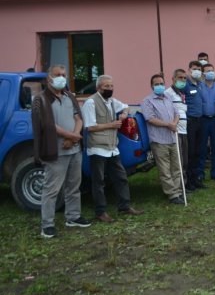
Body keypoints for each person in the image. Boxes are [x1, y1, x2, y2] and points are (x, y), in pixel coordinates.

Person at [32, 64, 92, 238]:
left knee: (74, 186)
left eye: (64, 75)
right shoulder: (41, 99)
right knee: (52, 189)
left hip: (73, 149)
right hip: (55, 151)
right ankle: (47, 225)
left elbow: (78, 118)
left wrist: (73, 136)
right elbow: (47, 124)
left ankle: (73, 217)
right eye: (58, 74)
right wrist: (71, 136)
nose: (61, 77)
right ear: (49, 78)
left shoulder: (69, 96)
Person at [82, 75, 142, 223]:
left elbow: (126, 106)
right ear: (98, 88)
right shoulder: (90, 103)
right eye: (106, 87)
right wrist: (112, 125)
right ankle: (100, 212)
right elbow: (89, 127)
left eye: (111, 86)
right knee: (99, 182)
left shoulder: (112, 101)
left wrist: (124, 114)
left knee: (121, 178)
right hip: (97, 148)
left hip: (112, 148)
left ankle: (124, 207)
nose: (110, 89)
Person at [141, 74, 186, 205]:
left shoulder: (168, 98)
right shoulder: (147, 101)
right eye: (156, 84)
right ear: (152, 86)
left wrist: (174, 122)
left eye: (161, 83)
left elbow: (177, 113)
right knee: (165, 169)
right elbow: (150, 118)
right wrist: (168, 125)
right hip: (159, 140)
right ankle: (172, 195)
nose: (159, 86)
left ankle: (178, 191)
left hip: (172, 138)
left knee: (177, 167)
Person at [184, 61, 206, 191]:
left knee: (198, 151)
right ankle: (189, 181)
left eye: (199, 69)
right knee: (190, 152)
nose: (197, 71)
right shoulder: (185, 85)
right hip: (190, 121)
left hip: (200, 120)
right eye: (194, 69)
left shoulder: (200, 84)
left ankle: (196, 178)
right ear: (189, 70)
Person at [164, 69, 188, 184]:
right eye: (180, 77)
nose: (183, 80)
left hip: (184, 130)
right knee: (178, 160)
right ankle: (178, 185)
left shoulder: (181, 93)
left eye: (184, 78)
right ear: (173, 79)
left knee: (184, 159)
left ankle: (183, 183)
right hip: (175, 131)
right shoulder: (168, 93)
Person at [199, 63, 215, 180]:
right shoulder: (199, 86)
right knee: (202, 147)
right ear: (203, 74)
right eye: (208, 71)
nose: (211, 73)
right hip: (203, 120)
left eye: (212, 70)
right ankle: (200, 173)